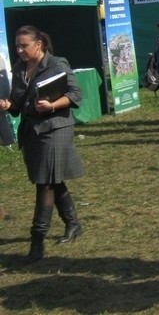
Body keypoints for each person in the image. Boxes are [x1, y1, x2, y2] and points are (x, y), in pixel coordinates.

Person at [1, 26, 84, 264]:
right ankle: (73, 224)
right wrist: (9, 105)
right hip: (32, 132)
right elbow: (18, 105)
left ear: (39, 45)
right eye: (17, 46)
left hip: (56, 127)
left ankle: (37, 241)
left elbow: (75, 94)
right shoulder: (19, 70)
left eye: (24, 45)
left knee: (44, 183)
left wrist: (53, 105)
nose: (19, 50)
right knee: (52, 179)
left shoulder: (57, 64)